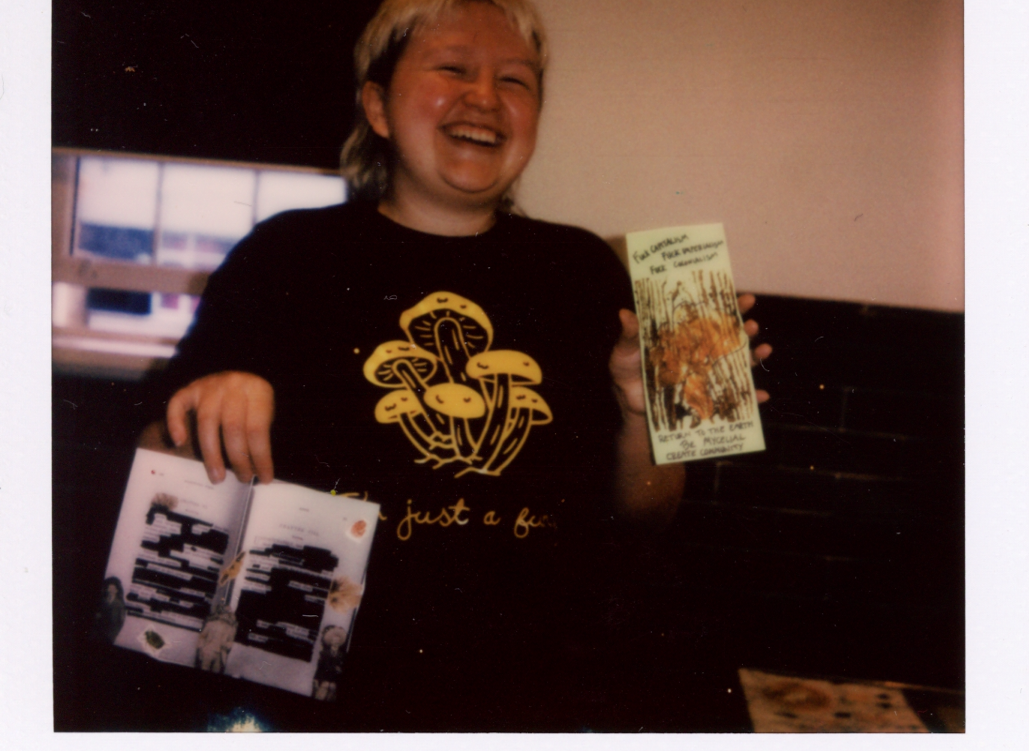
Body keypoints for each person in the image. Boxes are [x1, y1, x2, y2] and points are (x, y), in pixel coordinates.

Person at [140, 0, 770, 730]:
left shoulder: (585, 270)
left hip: (528, 689)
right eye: (451, 69)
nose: (484, 98)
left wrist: (641, 416)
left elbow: (644, 516)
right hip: (316, 694)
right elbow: (154, 460)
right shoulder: (284, 255)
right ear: (377, 105)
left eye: (515, 81)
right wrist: (211, 400)